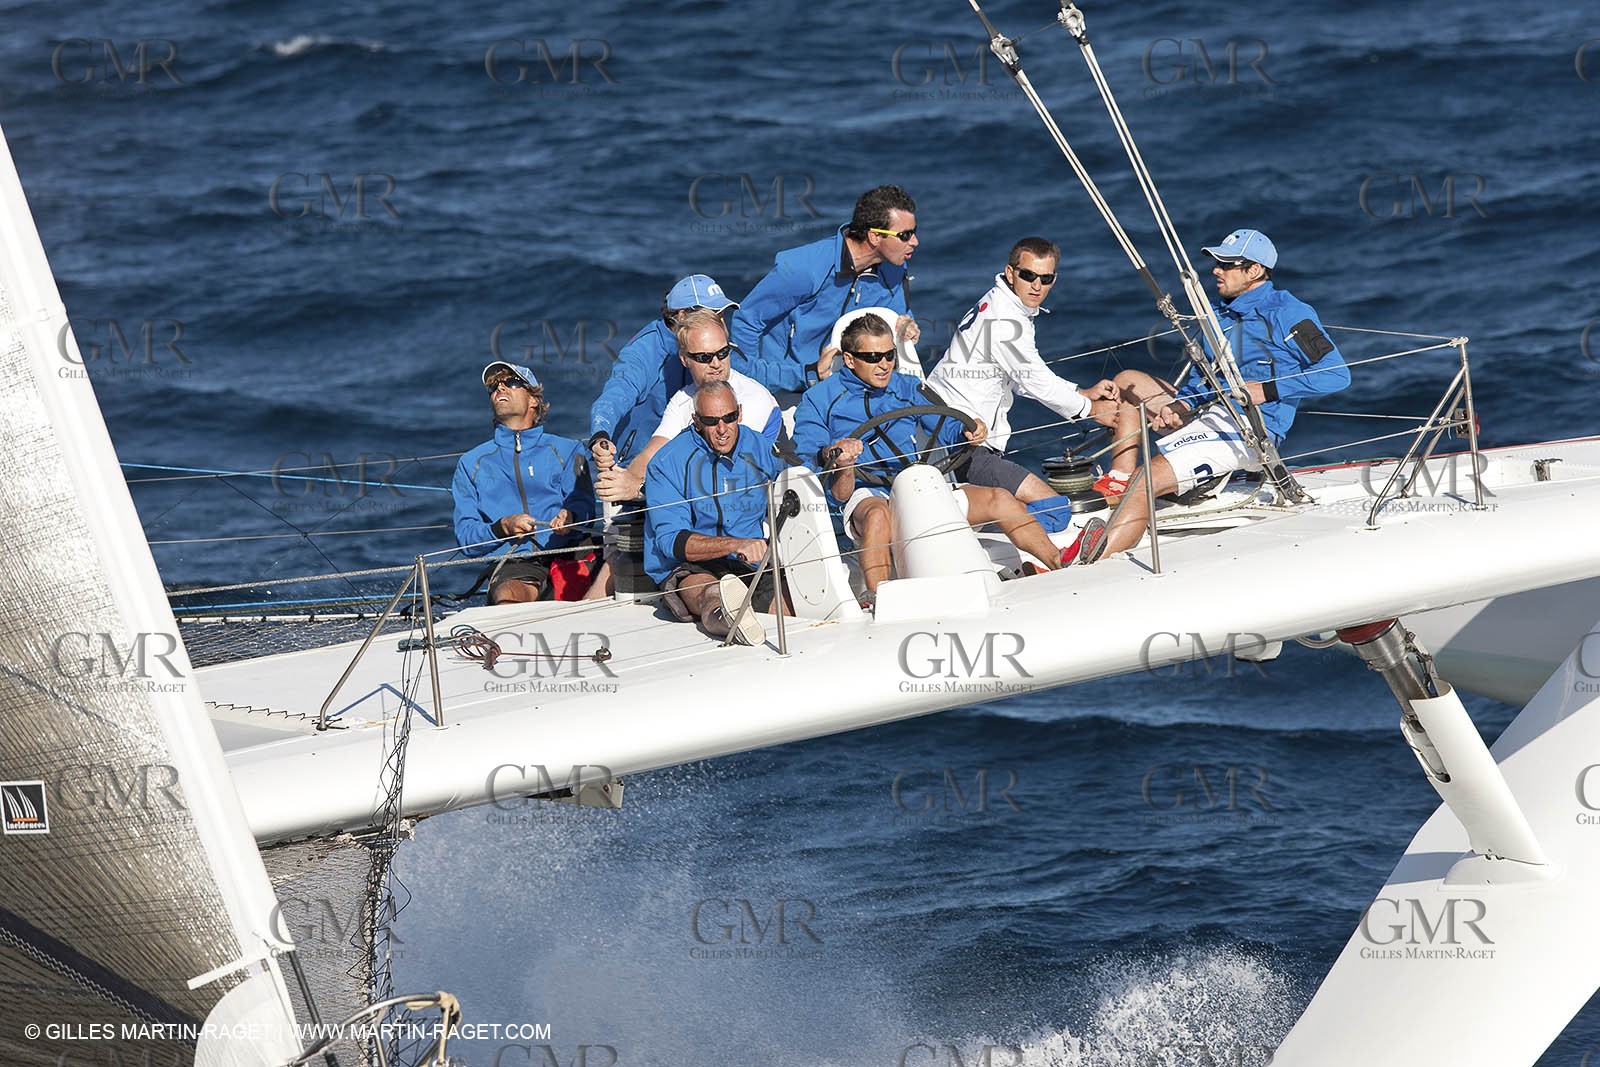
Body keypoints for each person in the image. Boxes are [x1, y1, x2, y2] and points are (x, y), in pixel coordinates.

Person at [1089, 228, 1351, 562]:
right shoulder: (1218, 313)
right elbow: (1204, 376)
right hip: (1210, 413)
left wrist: (1267, 390)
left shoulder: (1289, 313)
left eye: (1226, 264)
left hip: (1252, 432)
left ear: (1254, 271)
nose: (1215, 270)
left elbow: (1336, 374)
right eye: (1216, 263)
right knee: (1127, 383)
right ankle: (1118, 481)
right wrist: (1182, 404)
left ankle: (1093, 564)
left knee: (1146, 479)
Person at [792, 314, 1072, 603]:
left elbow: (944, 422)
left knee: (999, 498)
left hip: (913, 483)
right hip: (864, 490)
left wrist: (967, 429)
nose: (885, 364)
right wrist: (835, 452)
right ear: (850, 360)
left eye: (889, 355)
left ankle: (1058, 561)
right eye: (874, 357)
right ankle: (882, 599)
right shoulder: (818, 399)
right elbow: (807, 457)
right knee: (877, 516)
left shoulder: (907, 386)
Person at [927, 236, 1119, 503]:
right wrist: (1092, 410)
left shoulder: (1000, 302)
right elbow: (1033, 380)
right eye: (1028, 275)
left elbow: (1019, 377)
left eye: (1046, 278)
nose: (1037, 285)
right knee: (1051, 504)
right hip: (963, 440)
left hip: (946, 429)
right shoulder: (1005, 319)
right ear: (1011, 272)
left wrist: (1081, 392)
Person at [731, 184, 922, 392]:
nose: (915, 242)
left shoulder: (894, 270)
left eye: (914, 232)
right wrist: (752, 389)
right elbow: (747, 322)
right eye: (905, 235)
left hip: (845, 391)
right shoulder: (803, 268)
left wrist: (906, 328)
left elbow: (895, 318)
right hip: (785, 390)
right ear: (875, 236)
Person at [644, 381, 788, 645]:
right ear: (696, 421)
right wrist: (736, 544)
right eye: (711, 421)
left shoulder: (760, 448)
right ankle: (730, 622)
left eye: (729, 418)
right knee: (712, 594)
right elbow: (671, 541)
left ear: (740, 413)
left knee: (787, 613)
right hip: (693, 565)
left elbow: (796, 485)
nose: (722, 430)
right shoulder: (666, 463)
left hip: (749, 563)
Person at [594, 309, 782, 503]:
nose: (717, 363)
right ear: (684, 359)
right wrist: (625, 480)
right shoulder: (682, 399)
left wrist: (640, 489)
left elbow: (725, 479)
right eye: (704, 357)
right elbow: (651, 454)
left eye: (723, 353)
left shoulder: (752, 399)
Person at [452, 361, 596, 603]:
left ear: (533, 400)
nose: (500, 388)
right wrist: (502, 528)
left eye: (511, 382)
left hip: (574, 551)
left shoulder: (568, 450)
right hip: (517, 563)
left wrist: (570, 516)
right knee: (508, 596)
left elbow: (584, 505)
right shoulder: (470, 463)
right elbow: (467, 539)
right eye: (494, 387)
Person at [588, 274, 738, 473]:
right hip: (637, 466)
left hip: (687, 462)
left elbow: (752, 370)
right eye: (712, 314)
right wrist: (600, 435)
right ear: (682, 315)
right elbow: (614, 396)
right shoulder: (644, 351)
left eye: (721, 315)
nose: (720, 323)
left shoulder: (713, 345)